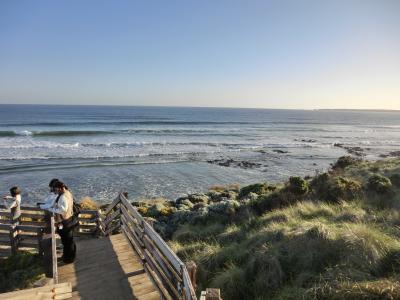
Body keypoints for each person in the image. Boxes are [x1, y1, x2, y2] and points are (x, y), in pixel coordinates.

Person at [48, 181, 76, 263]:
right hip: (69, 219)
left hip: (65, 221)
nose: (54, 190)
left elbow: (63, 210)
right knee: (69, 241)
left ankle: (68, 259)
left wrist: (51, 209)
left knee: (67, 241)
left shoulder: (63, 196)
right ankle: (69, 257)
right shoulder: (68, 193)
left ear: (60, 188)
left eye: (55, 189)